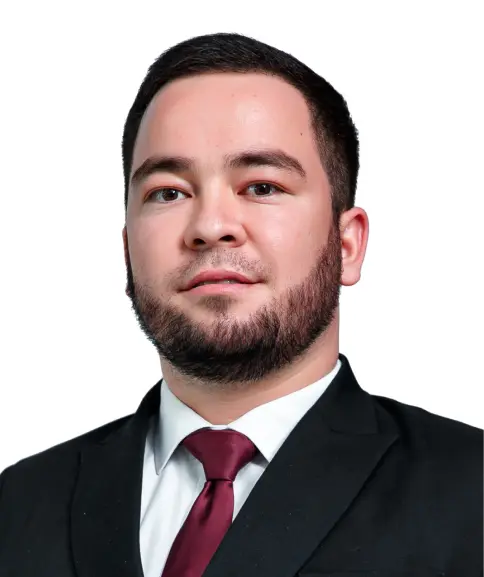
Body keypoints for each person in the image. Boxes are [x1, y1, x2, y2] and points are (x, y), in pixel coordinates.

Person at [1, 32, 484, 577]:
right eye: (168, 193)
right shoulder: (18, 504)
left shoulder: (470, 492)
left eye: (261, 187)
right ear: (128, 249)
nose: (210, 226)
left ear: (347, 245)